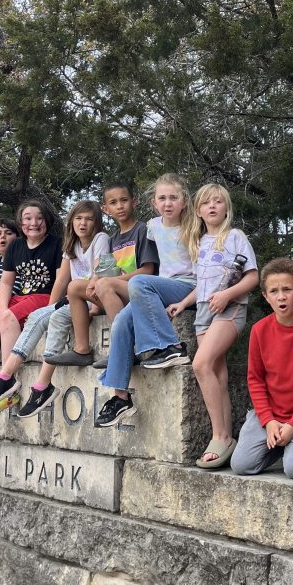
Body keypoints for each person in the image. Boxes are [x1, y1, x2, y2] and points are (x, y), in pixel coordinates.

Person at [0, 201, 109, 418]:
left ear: (97, 222)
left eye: (89, 219)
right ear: (70, 222)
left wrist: (88, 306)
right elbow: (62, 279)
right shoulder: (71, 244)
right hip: (74, 299)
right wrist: (49, 308)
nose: (83, 223)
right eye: (78, 218)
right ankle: (19, 381)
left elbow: (101, 271)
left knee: (55, 318)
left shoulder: (100, 239)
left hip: (93, 298)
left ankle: (29, 383)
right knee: (40, 316)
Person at [94, 173, 196, 428]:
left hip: (189, 287)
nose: (168, 203)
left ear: (184, 201)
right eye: (162, 198)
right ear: (153, 203)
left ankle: (170, 347)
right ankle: (120, 397)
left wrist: (186, 302)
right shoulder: (153, 227)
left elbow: (204, 269)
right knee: (120, 322)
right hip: (161, 288)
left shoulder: (194, 225)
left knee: (139, 282)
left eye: (174, 197)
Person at [171, 183, 258, 469]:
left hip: (229, 309)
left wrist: (227, 295)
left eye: (218, 202)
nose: (212, 207)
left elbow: (251, 278)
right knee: (217, 375)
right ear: (197, 210)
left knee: (200, 364)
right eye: (206, 203)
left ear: (226, 207)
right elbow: (203, 285)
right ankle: (227, 437)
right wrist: (184, 303)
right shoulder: (198, 243)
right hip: (204, 313)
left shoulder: (235, 237)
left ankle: (219, 437)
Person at [0, 198, 64, 416]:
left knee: (9, 318)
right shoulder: (16, 245)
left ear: (47, 220)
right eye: (27, 218)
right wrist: (4, 307)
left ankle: (7, 387)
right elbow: (6, 282)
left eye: (39, 218)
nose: (33, 223)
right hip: (20, 298)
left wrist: (49, 308)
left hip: (45, 297)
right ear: (21, 222)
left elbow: (61, 280)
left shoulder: (56, 243)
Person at [230, 258, 293, 479]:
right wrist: (268, 420)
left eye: (287, 289)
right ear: (266, 296)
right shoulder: (259, 331)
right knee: (241, 465)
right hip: (270, 412)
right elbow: (255, 379)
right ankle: (284, 447)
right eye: (274, 291)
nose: (281, 296)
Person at [50, 180, 158, 370]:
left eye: (124, 200)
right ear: (106, 209)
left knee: (105, 284)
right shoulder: (113, 239)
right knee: (74, 287)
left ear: (134, 202)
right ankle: (82, 349)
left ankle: (124, 351)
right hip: (114, 295)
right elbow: (103, 271)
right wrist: (96, 282)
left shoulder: (143, 230)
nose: (119, 206)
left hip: (137, 292)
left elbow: (148, 271)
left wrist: (108, 281)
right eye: (114, 203)